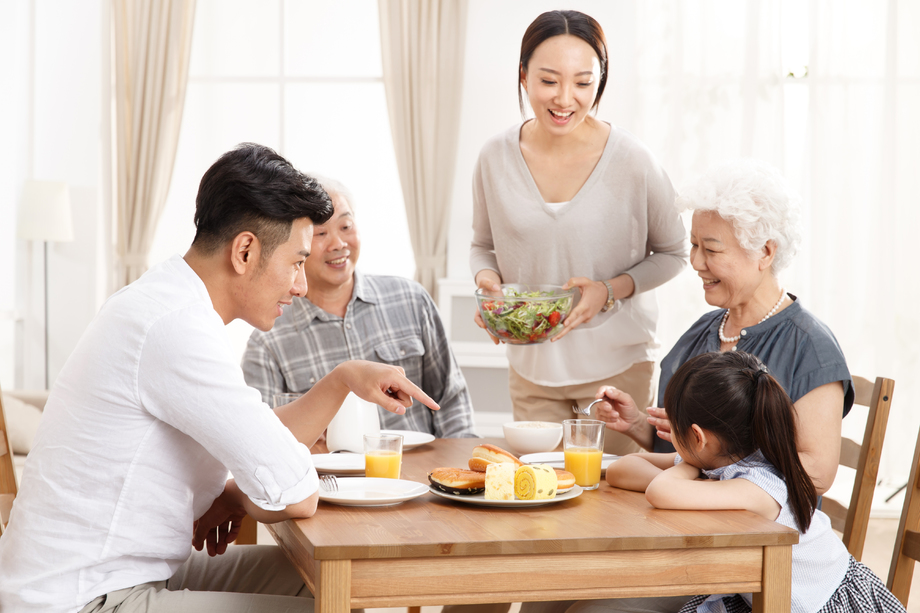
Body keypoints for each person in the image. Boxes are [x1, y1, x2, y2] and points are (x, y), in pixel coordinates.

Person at [0, 143, 438, 613]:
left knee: (323, 582)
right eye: (295, 262)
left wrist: (342, 379)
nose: (301, 285)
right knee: (326, 601)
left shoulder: (168, 302)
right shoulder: (175, 329)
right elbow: (296, 492)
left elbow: (263, 445)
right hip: (84, 597)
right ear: (245, 250)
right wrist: (247, 490)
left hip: (124, 571)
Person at [470, 9, 688, 456]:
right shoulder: (494, 157)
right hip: (531, 368)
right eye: (549, 81)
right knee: (539, 507)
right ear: (524, 75)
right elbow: (482, 246)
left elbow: (674, 252)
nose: (564, 98)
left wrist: (608, 290)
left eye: (583, 83)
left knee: (616, 508)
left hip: (617, 371)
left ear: (600, 81)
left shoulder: (632, 160)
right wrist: (488, 285)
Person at [597, 159, 853, 496]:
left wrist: (719, 459)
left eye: (711, 249)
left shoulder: (809, 347)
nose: (696, 262)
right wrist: (638, 425)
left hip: (760, 535)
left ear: (765, 252)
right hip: (686, 517)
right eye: (693, 245)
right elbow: (685, 453)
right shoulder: (703, 331)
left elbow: (817, 474)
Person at [603, 351, 904, 613]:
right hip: (768, 593)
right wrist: (689, 465)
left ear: (698, 436)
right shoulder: (721, 459)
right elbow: (621, 469)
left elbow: (660, 491)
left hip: (823, 604)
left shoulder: (760, 484)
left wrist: (686, 469)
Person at [242, 176, 477, 440]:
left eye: (346, 226)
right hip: (330, 480)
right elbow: (262, 440)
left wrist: (460, 469)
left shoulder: (410, 299)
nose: (338, 244)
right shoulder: (267, 340)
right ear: (298, 245)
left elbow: (452, 400)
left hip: (422, 474)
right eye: (320, 233)